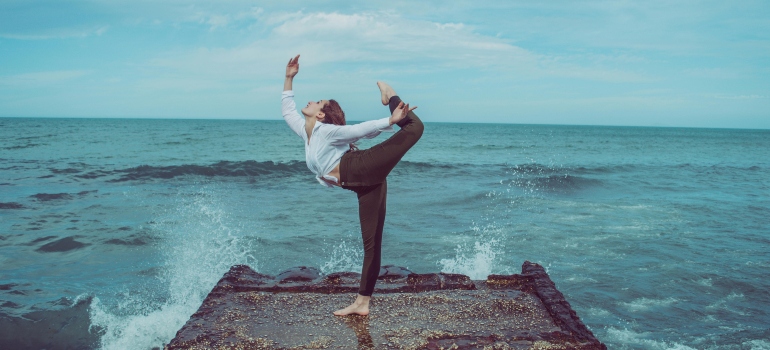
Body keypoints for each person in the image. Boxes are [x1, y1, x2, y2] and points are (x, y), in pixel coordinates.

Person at [281, 54, 424, 316]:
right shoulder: (307, 133)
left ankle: (390, 94)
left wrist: (390, 120)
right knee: (372, 243)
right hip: (362, 184)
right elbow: (287, 111)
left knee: (414, 128)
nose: (311, 101)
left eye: (317, 101)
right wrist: (289, 77)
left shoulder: (326, 131)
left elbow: (357, 130)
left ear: (321, 113)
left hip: (361, 166)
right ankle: (362, 303)